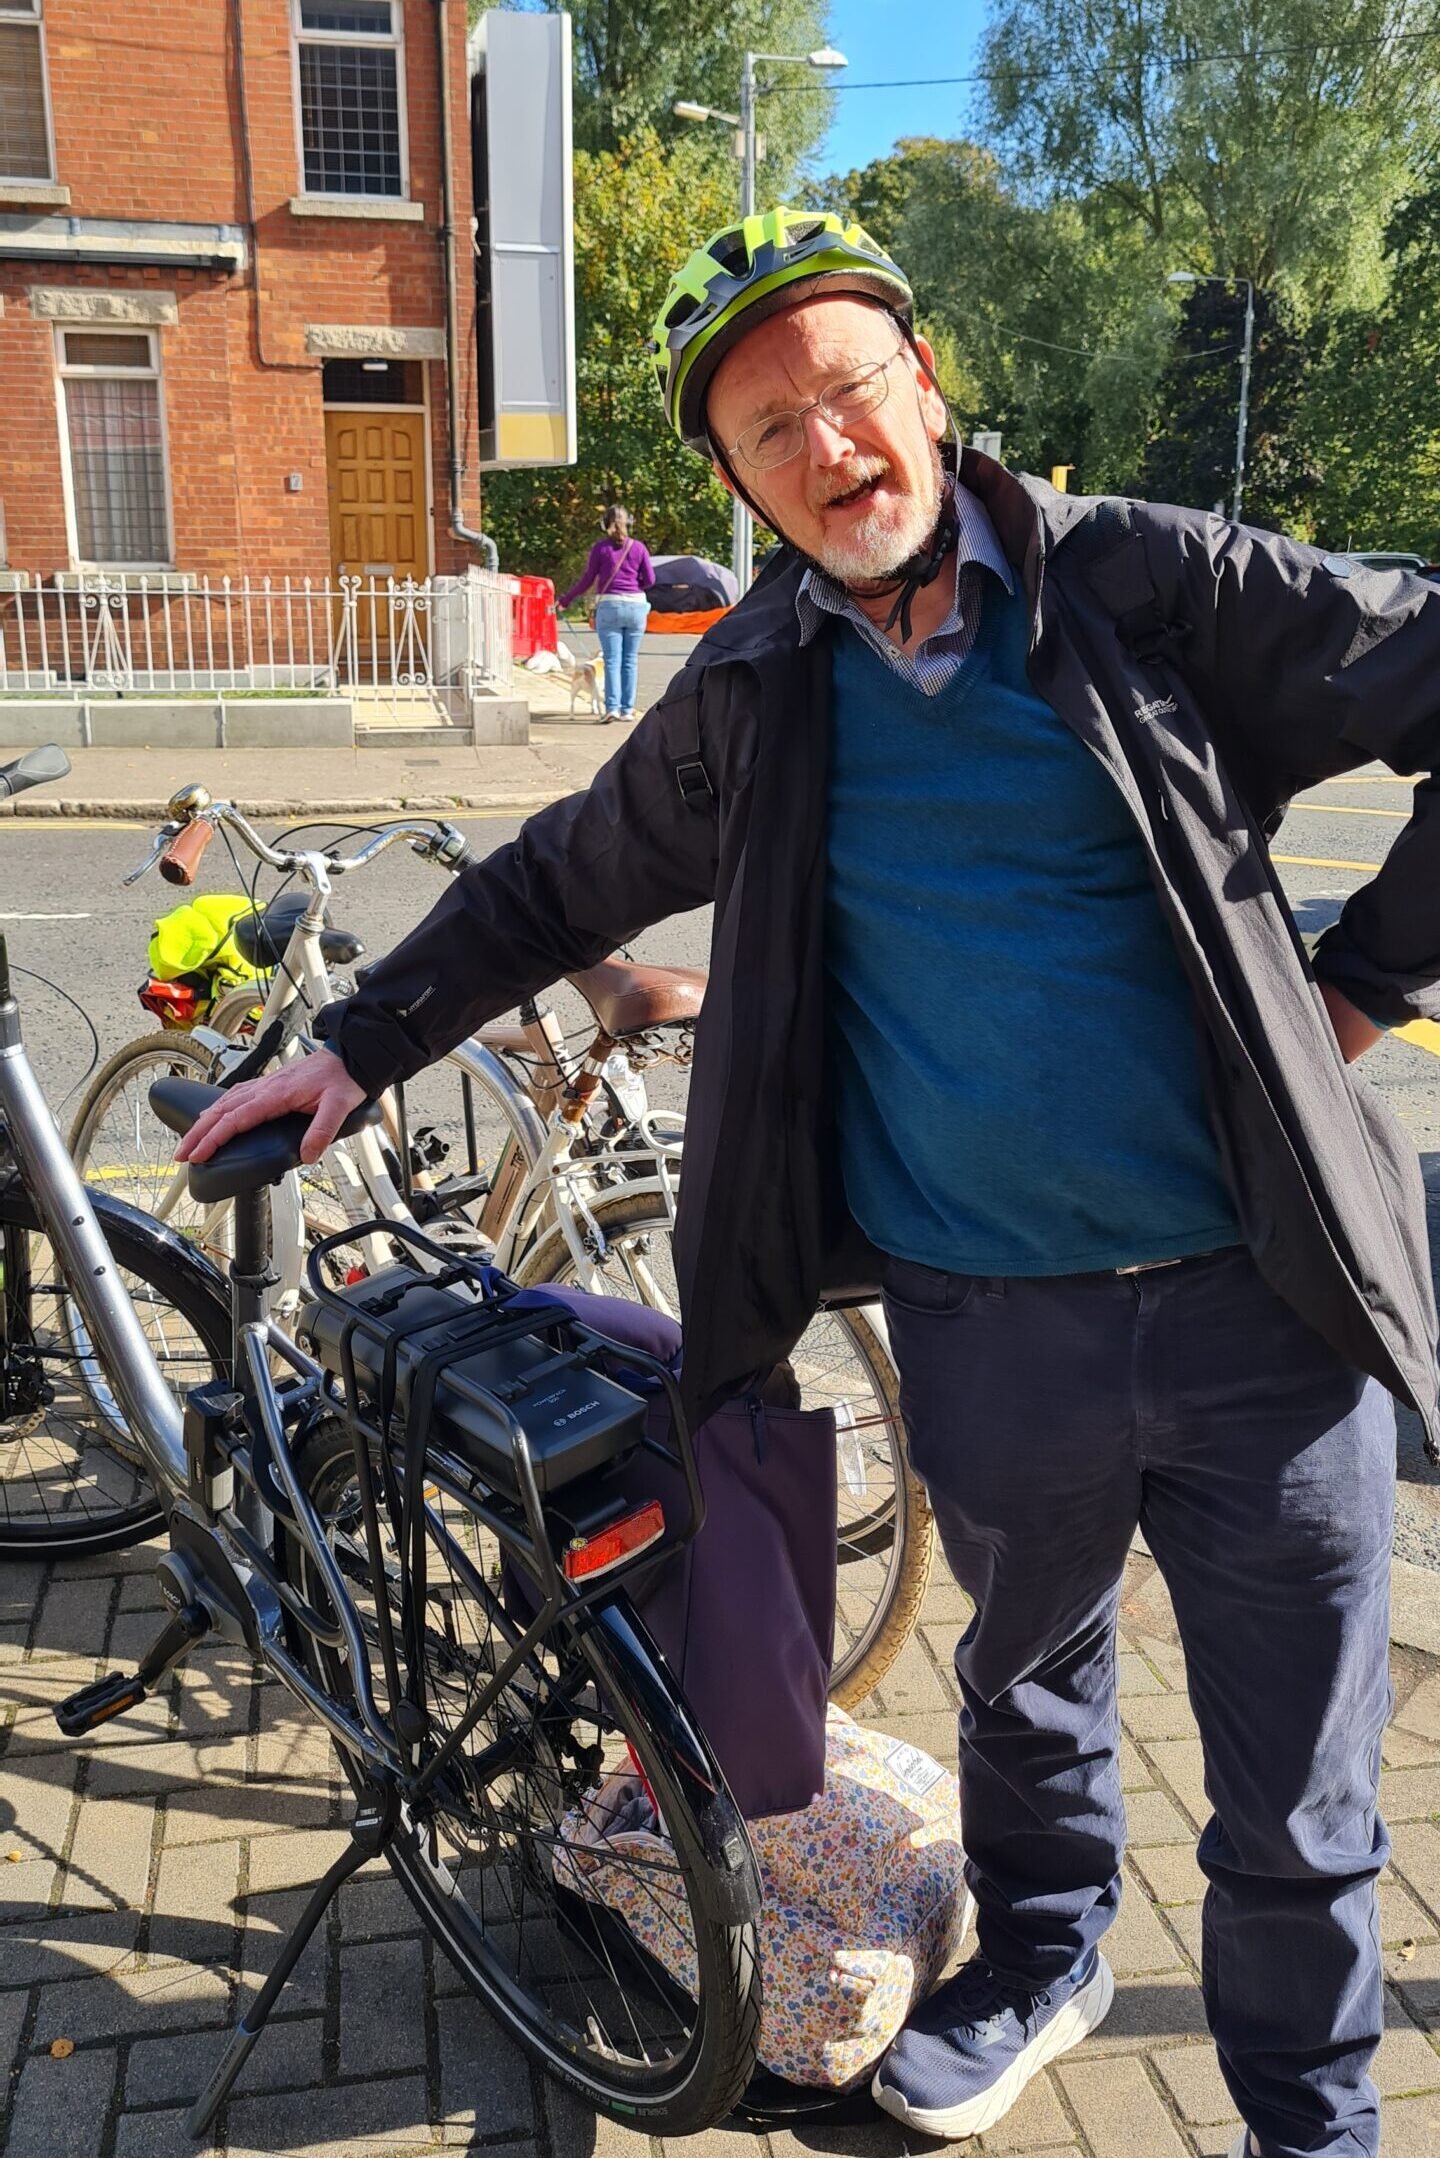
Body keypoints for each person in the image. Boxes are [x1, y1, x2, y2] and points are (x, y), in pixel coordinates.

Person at [177, 206, 1440, 2158]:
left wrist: (1360, 982)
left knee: (1297, 1803)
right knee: (1027, 1686)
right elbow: (562, 877)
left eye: (847, 389)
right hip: (985, 1318)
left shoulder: (1143, 582)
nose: (827, 447)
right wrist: (358, 1047)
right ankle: (1042, 1947)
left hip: (1262, 1308)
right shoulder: (763, 680)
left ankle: (1310, 2123)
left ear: (922, 386)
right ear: (736, 480)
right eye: (770, 429)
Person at [557, 504, 655, 722]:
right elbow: (650, 580)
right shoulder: (639, 548)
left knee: (611, 660)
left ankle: (611, 708)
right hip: (636, 607)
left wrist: (565, 600)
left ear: (604, 524)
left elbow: (587, 580)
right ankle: (627, 710)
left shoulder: (600, 549)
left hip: (609, 606)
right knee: (629, 660)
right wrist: (634, 583)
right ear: (629, 522)